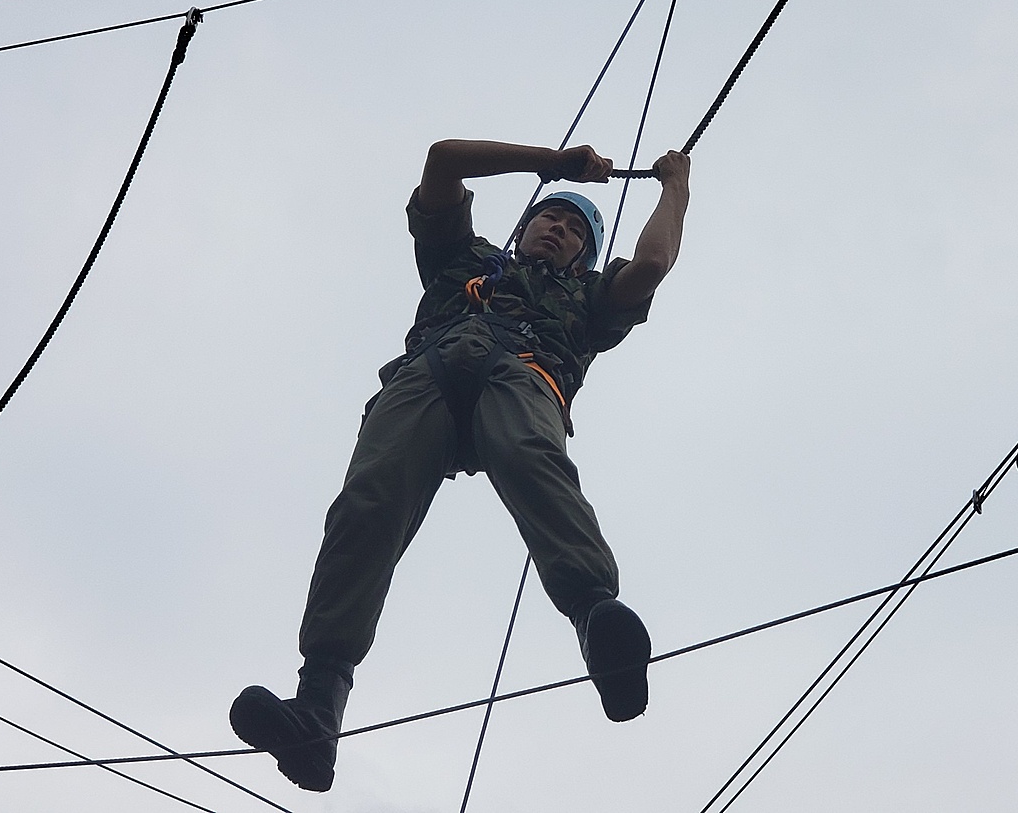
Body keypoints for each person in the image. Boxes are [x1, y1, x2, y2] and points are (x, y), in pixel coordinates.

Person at [231, 139, 691, 792]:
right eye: (550, 216)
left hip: (526, 373)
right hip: (428, 374)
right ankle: (317, 709)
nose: (558, 229)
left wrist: (675, 186)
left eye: (574, 231)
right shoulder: (463, 259)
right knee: (368, 502)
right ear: (524, 225)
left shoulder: (588, 297)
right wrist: (550, 161)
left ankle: (598, 621)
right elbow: (442, 160)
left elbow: (650, 263)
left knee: (531, 457)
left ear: (584, 257)